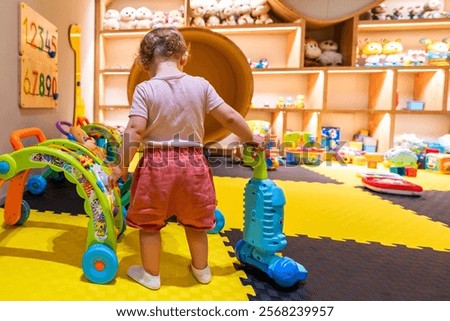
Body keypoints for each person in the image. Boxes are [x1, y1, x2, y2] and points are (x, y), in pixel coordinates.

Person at [108, 27, 258, 290]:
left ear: (144, 63)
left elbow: (135, 130)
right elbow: (230, 117)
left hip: (157, 166)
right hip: (193, 164)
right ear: (184, 58)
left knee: (150, 224)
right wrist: (251, 139)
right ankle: (201, 270)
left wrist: (122, 166)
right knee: (196, 222)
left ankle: (151, 275)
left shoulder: (145, 89)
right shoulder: (201, 85)